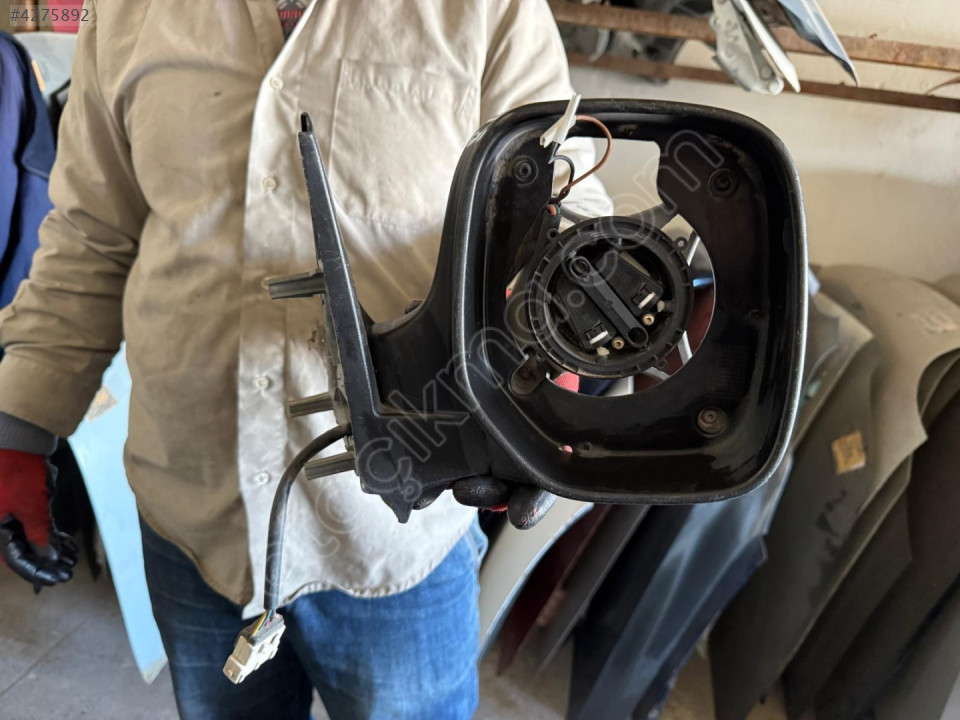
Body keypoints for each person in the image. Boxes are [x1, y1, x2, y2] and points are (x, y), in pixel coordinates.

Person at [0, 1, 609, 718]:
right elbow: (90, 236)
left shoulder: (488, 10)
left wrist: (553, 358)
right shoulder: (129, 12)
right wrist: (20, 430)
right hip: (194, 517)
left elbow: (564, 203)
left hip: (397, 532)